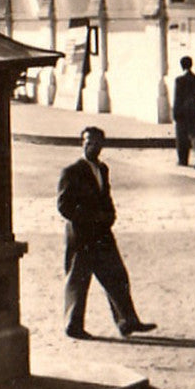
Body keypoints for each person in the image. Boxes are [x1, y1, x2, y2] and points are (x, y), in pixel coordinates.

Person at [58, 126, 157, 339]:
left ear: (102, 145)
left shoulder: (102, 169)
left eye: (96, 143)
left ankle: (127, 322)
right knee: (78, 280)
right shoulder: (72, 171)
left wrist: (110, 215)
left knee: (116, 275)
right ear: (81, 144)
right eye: (88, 142)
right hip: (82, 236)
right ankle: (73, 326)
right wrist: (91, 218)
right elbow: (64, 206)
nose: (92, 146)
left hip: (102, 234)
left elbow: (106, 196)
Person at [172, 56, 195, 169]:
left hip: (183, 110)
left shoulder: (179, 80)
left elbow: (177, 97)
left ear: (181, 66)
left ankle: (183, 160)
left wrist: (175, 112)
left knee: (182, 136)